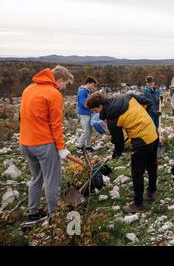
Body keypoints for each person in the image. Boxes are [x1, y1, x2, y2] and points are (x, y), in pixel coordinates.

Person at [86, 92, 158, 213]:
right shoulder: (127, 96)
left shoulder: (111, 119)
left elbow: (119, 142)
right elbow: (147, 102)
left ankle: (138, 203)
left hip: (141, 141)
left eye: (95, 110)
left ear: (100, 106)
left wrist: (116, 153)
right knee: (151, 165)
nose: (96, 113)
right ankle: (151, 192)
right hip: (153, 133)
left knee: (137, 173)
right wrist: (146, 117)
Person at [19, 66, 74, 221]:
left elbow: (22, 116)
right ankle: (54, 216)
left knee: (36, 178)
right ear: (60, 79)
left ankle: (33, 213)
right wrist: (61, 148)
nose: (64, 88)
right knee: (52, 180)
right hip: (43, 143)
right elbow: (56, 125)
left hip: (26, 142)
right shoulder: (54, 94)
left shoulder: (28, 89)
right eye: (66, 84)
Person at [76, 76, 97, 153]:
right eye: (93, 85)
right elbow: (82, 103)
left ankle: (88, 146)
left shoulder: (86, 91)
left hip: (87, 113)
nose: (93, 87)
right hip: (83, 114)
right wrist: (92, 108)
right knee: (86, 131)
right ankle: (79, 146)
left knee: (89, 131)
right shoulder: (82, 91)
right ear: (88, 83)